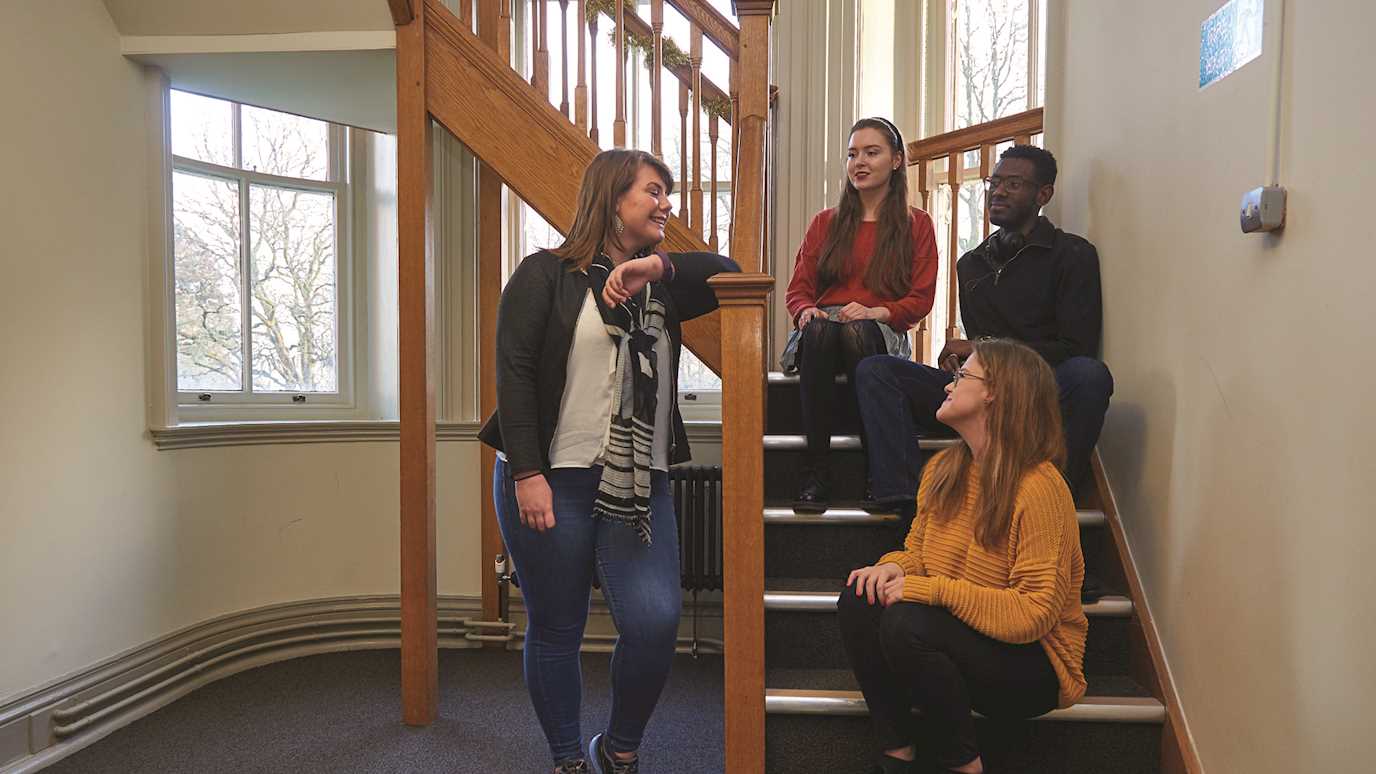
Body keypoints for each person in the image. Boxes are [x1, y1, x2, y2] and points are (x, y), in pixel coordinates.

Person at [477, 149, 737, 774]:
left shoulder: (661, 288)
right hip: (550, 478)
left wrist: (655, 265)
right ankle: (567, 757)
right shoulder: (545, 273)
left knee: (653, 623)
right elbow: (512, 374)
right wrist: (526, 472)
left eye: (666, 194)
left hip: (640, 484)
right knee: (557, 624)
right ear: (612, 197)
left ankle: (617, 748)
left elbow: (728, 269)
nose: (665, 205)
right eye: (652, 191)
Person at [837, 338, 1088, 774]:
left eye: (961, 375)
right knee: (862, 595)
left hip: (1036, 664)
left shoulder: (1039, 487)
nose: (948, 384)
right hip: (968, 639)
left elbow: (1032, 614)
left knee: (907, 621)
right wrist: (894, 567)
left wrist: (926, 589)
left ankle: (963, 765)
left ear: (995, 393)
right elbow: (919, 553)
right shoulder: (944, 471)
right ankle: (897, 753)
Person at [854, 144, 1113, 511]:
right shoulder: (971, 264)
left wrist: (983, 348)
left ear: (1043, 194)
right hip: (982, 396)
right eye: (995, 182)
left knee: (1090, 375)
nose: (998, 191)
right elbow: (980, 351)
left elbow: (1075, 347)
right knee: (876, 370)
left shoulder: (1072, 255)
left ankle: (1050, 500)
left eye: (1014, 184)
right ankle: (902, 499)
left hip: (1040, 395)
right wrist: (969, 366)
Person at [783, 117, 939, 512]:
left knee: (856, 332)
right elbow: (798, 290)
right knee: (820, 332)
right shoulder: (826, 223)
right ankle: (815, 468)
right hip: (824, 332)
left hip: (879, 329)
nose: (859, 162)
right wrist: (805, 312)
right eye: (853, 154)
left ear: (897, 160)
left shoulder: (916, 224)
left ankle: (876, 465)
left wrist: (877, 311)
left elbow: (920, 299)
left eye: (872, 152)